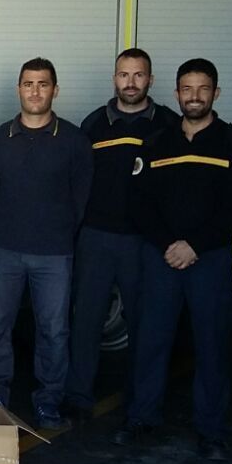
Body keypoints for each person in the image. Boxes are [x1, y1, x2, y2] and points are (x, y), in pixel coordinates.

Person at [121, 59, 232, 461]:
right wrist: (169, 244)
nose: (193, 96)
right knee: (151, 341)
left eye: (202, 89)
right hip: (161, 257)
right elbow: (139, 202)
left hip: (209, 260)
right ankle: (142, 418)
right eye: (186, 89)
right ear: (176, 93)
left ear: (216, 93)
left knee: (211, 345)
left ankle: (210, 431)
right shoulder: (157, 140)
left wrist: (194, 244)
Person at [67, 48, 180, 423]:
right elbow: (78, 182)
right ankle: (79, 398)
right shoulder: (95, 124)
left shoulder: (168, 124)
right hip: (96, 238)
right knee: (86, 323)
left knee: (144, 325)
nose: (130, 82)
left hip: (144, 242)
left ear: (150, 79)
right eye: (123, 75)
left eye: (138, 75)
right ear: (114, 78)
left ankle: (140, 405)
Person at [0, 58, 92, 431]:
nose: (35, 91)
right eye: (28, 84)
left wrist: (54, 230)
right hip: (4, 248)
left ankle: (48, 402)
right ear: (19, 89)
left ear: (55, 90)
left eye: (43, 84)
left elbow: (81, 198)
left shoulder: (74, 141)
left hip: (55, 253)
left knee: (54, 332)